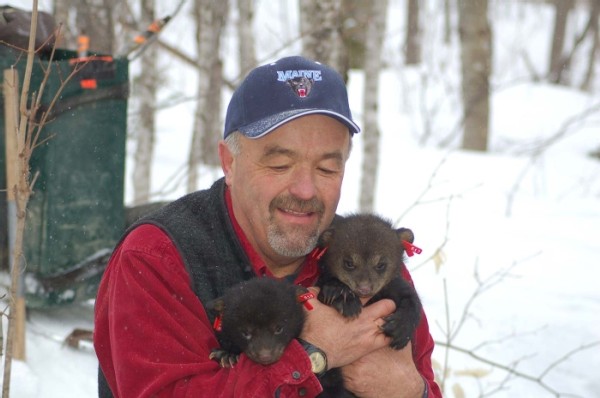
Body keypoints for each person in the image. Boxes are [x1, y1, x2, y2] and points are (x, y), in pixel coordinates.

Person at [94, 55, 442, 398]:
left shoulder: (362, 253)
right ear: (229, 163)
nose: (305, 190)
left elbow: (421, 381)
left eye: (326, 169)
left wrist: (411, 391)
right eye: (279, 165)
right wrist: (311, 355)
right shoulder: (157, 258)